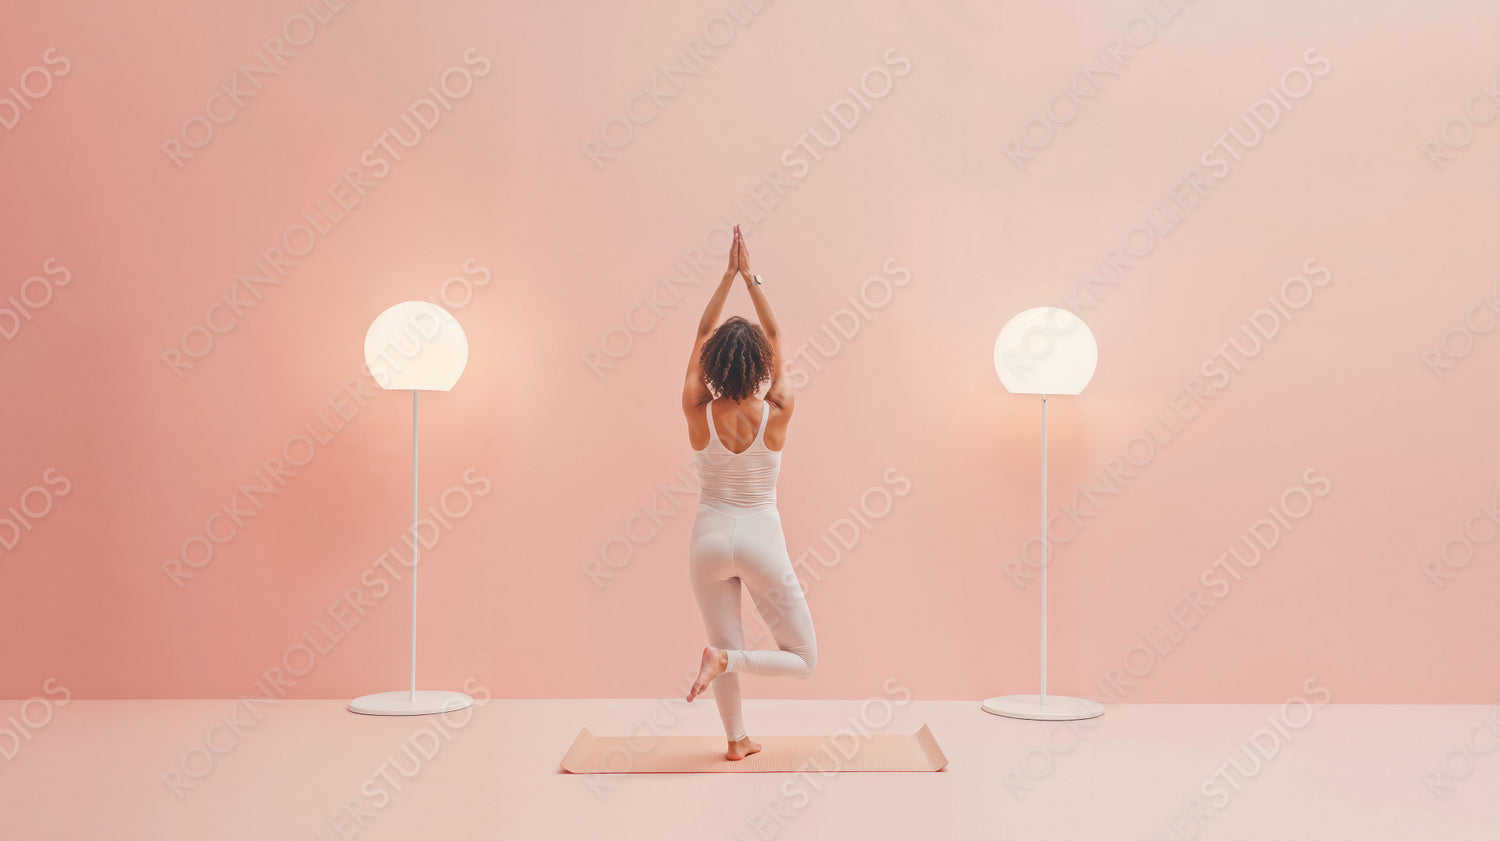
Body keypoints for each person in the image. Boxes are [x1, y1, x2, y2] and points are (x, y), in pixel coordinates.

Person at [681, 225, 817, 761]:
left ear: (714, 364)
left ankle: (736, 740)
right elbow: (778, 335)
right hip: (761, 539)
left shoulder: (696, 411)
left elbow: (701, 331)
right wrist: (750, 276)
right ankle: (726, 665)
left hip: (707, 542)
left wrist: (724, 278)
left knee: (723, 642)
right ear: (759, 363)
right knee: (802, 659)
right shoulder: (778, 411)